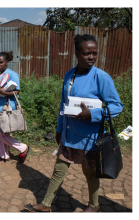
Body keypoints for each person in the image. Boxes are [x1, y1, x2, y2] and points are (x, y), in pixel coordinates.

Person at [24, 34, 123, 212]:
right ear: (77, 53)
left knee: (90, 173)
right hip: (69, 135)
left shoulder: (101, 77)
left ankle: (94, 205)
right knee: (59, 169)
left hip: (89, 139)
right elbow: (63, 105)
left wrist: (92, 114)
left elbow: (117, 106)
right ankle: (46, 204)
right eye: (87, 53)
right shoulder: (69, 75)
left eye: (95, 53)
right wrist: (59, 129)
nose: (91, 57)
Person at [0, 51, 30, 162]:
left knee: (1, 134)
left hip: (5, 108)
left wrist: (3, 92)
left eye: (1, 62)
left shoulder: (11, 74)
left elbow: (16, 92)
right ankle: (3, 154)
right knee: (1, 133)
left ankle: (23, 148)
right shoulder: (1, 74)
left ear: (7, 62)